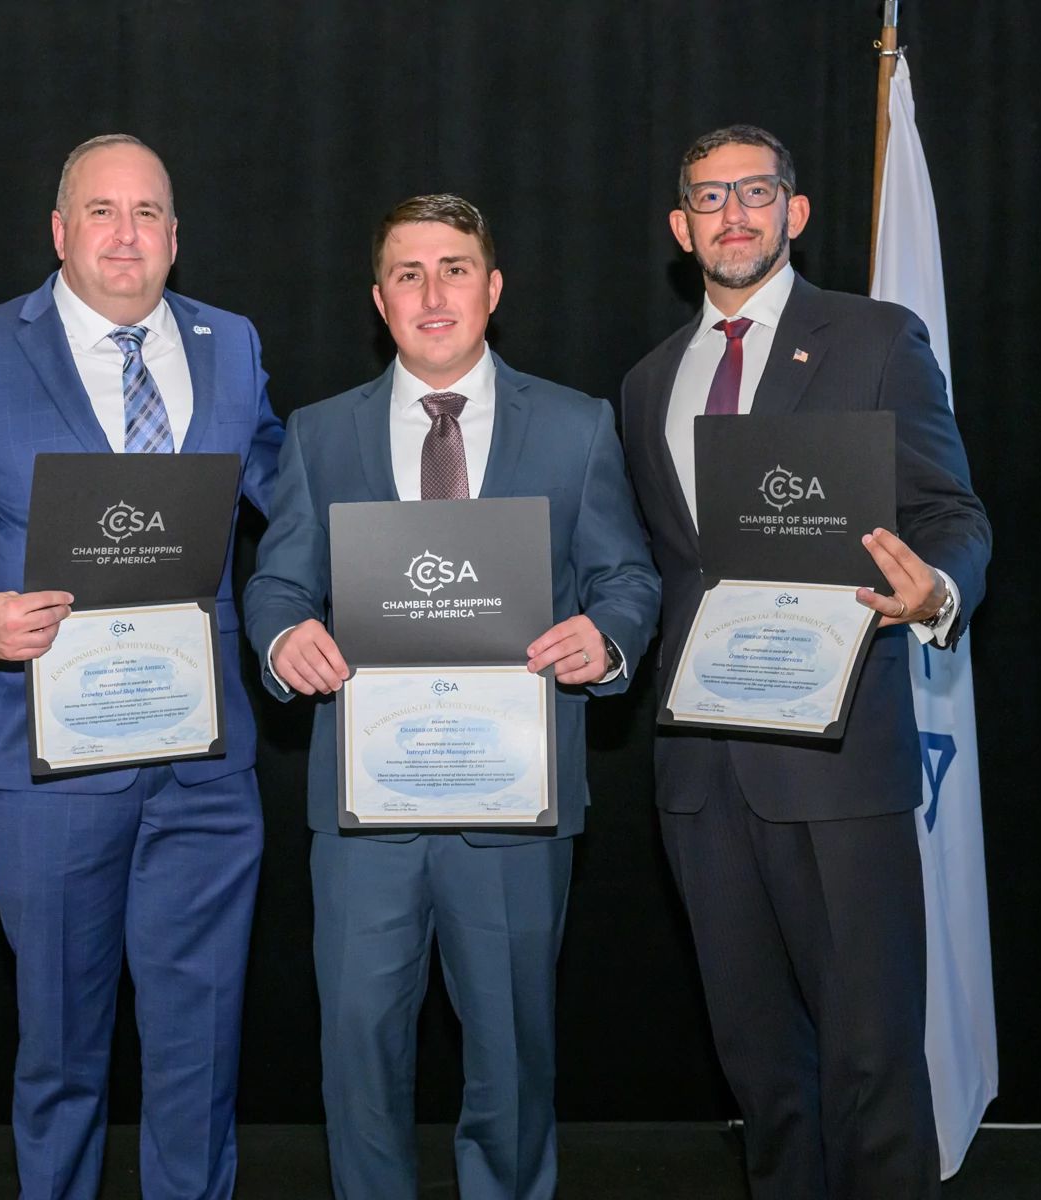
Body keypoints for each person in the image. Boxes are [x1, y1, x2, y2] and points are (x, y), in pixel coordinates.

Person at [0, 134, 283, 1200]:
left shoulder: (232, 344)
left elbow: (287, 495)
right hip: (53, 758)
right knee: (61, 1051)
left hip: (205, 765)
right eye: (101, 212)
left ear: (174, 236)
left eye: (148, 213)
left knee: (201, 1053)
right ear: (59, 232)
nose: (125, 234)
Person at [243, 193, 660, 1200]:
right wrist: (284, 635)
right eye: (409, 274)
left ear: (494, 288)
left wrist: (606, 636)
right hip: (366, 809)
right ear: (379, 300)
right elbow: (277, 582)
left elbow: (628, 578)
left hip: (514, 804)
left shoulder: (578, 427)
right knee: (357, 1051)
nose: (433, 294)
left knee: (513, 1056)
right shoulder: (319, 434)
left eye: (455, 269)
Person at [619, 125, 992, 1199]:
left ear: (797, 210)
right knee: (762, 1071)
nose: (733, 214)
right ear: (681, 226)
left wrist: (935, 590)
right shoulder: (647, 383)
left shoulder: (874, 339)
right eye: (709, 197)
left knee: (871, 1062)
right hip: (703, 776)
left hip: (839, 764)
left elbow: (951, 511)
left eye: (755, 191)